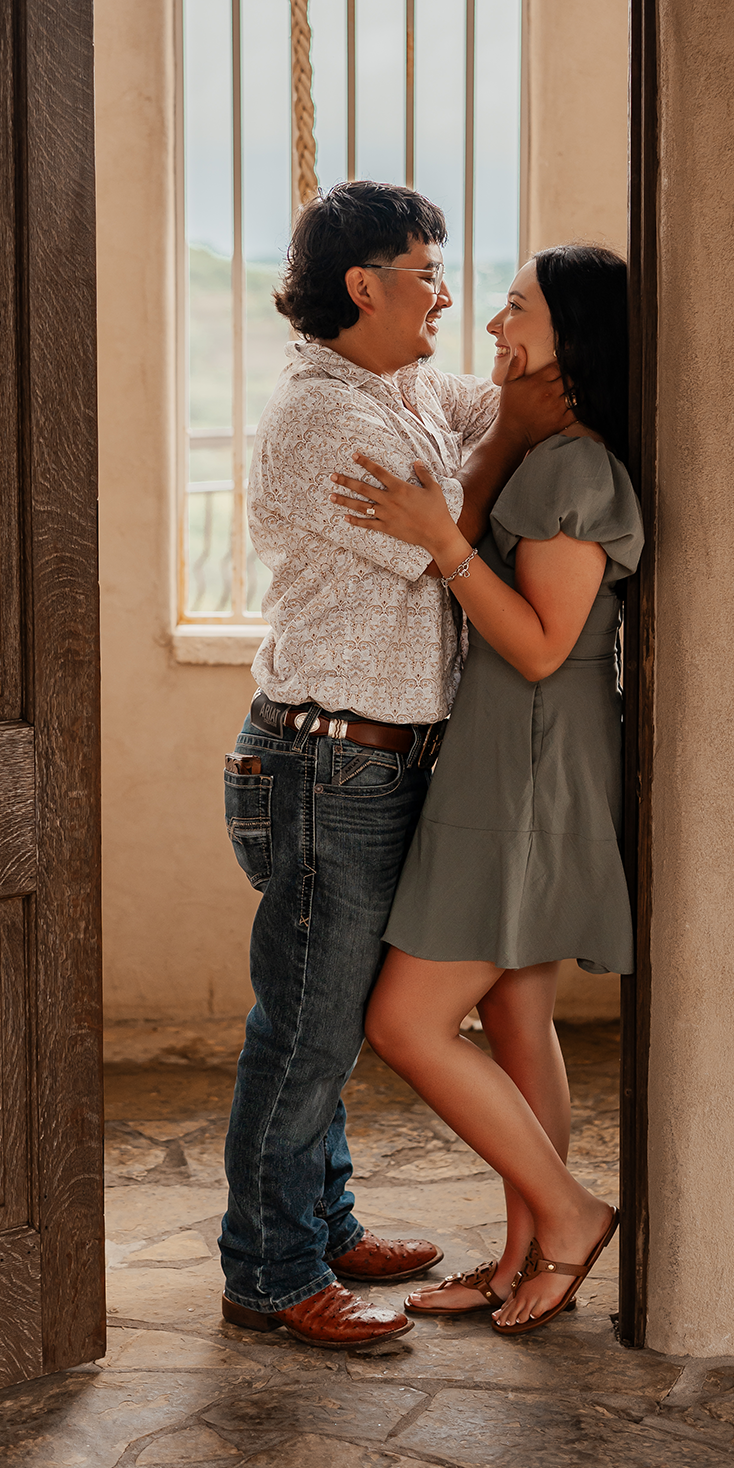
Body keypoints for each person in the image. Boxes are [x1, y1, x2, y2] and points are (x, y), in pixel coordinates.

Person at [218, 180, 572, 1350]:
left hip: (371, 760)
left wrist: (533, 387)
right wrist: (509, 431)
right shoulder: (323, 418)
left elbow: (502, 407)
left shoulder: (402, 384)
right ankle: (271, 1273)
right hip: (326, 763)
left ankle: (321, 1225)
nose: (447, 296)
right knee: (306, 1032)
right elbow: (446, 528)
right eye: (428, 273)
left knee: (328, 1017)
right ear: (363, 286)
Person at [330, 244, 643, 1335]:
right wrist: (472, 488)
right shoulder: (541, 453)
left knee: (404, 1020)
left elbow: (546, 646)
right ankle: (521, 1257)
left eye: (517, 307)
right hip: (511, 755)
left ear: (573, 338)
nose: (497, 325)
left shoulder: (574, 471)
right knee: (514, 1011)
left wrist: (439, 541)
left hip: (530, 769)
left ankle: (569, 1215)